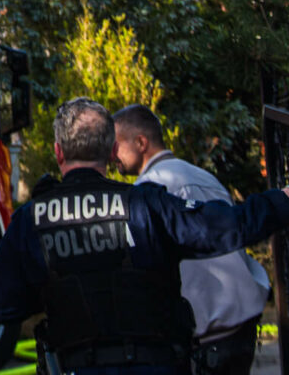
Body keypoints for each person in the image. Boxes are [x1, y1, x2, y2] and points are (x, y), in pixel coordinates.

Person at [0, 98, 289, 375]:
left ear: (58, 152)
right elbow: (230, 227)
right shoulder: (146, 205)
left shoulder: (32, 220)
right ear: (111, 152)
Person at [114, 105, 269, 375]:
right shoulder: (203, 176)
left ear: (140, 142)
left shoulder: (149, 192)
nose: (110, 154)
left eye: (115, 145)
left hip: (206, 337)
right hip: (240, 325)